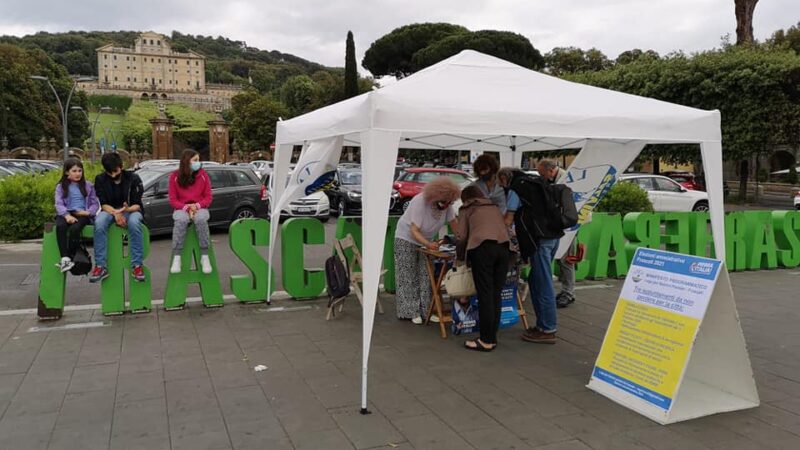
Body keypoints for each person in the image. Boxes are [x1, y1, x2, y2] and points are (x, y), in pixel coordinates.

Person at [501, 159, 564, 344]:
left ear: (506, 178)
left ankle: (547, 328)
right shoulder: (535, 182)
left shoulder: (516, 188)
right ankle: (542, 325)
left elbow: (509, 217)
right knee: (537, 280)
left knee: (543, 283)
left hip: (538, 240)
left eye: (500, 182)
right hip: (552, 236)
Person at [394, 176, 460, 324]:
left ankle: (426, 310)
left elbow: (454, 223)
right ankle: (410, 311)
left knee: (426, 275)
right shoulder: (420, 201)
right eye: (443, 202)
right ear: (435, 196)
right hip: (406, 238)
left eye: (449, 203)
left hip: (426, 240)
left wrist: (461, 238)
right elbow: (414, 230)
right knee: (408, 275)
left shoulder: (447, 205)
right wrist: (428, 244)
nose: (446, 205)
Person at [455, 185, 510, 352]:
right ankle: (492, 336)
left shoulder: (467, 208)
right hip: (504, 249)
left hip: (483, 250)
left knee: (485, 294)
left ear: (466, 199)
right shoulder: (493, 207)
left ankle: (485, 340)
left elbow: (461, 236)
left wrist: (459, 257)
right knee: (495, 294)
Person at [90, 152, 146, 283]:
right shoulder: (100, 179)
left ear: (121, 166)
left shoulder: (133, 178)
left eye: (115, 171)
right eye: (110, 173)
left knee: (134, 223)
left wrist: (126, 209)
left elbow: (137, 205)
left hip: (131, 210)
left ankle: (137, 265)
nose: (113, 175)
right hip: (110, 211)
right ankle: (100, 266)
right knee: (99, 223)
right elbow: (103, 204)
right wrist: (116, 213)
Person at [169, 149, 213, 274]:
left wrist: (197, 206)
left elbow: (208, 197)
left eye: (198, 160)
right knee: (180, 220)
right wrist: (187, 207)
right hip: (181, 208)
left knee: (200, 219)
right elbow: (173, 200)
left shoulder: (203, 175)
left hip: (200, 207)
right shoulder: (174, 177)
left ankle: (205, 256)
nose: (198, 163)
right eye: (195, 160)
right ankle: (177, 257)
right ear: (186, 161)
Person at [53, 158, 99, 272]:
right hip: (66, 213)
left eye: (80, 170)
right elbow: (58, 204)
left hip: (83, 215)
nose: (78, 173)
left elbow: (94, 203)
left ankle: (71, 256)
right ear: (66, 172)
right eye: (74, 171)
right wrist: (67, 215)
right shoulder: (61, 187)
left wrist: (89, 212)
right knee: (60, 226)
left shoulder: (88, 185)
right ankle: (65, 259)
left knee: (75, 229)